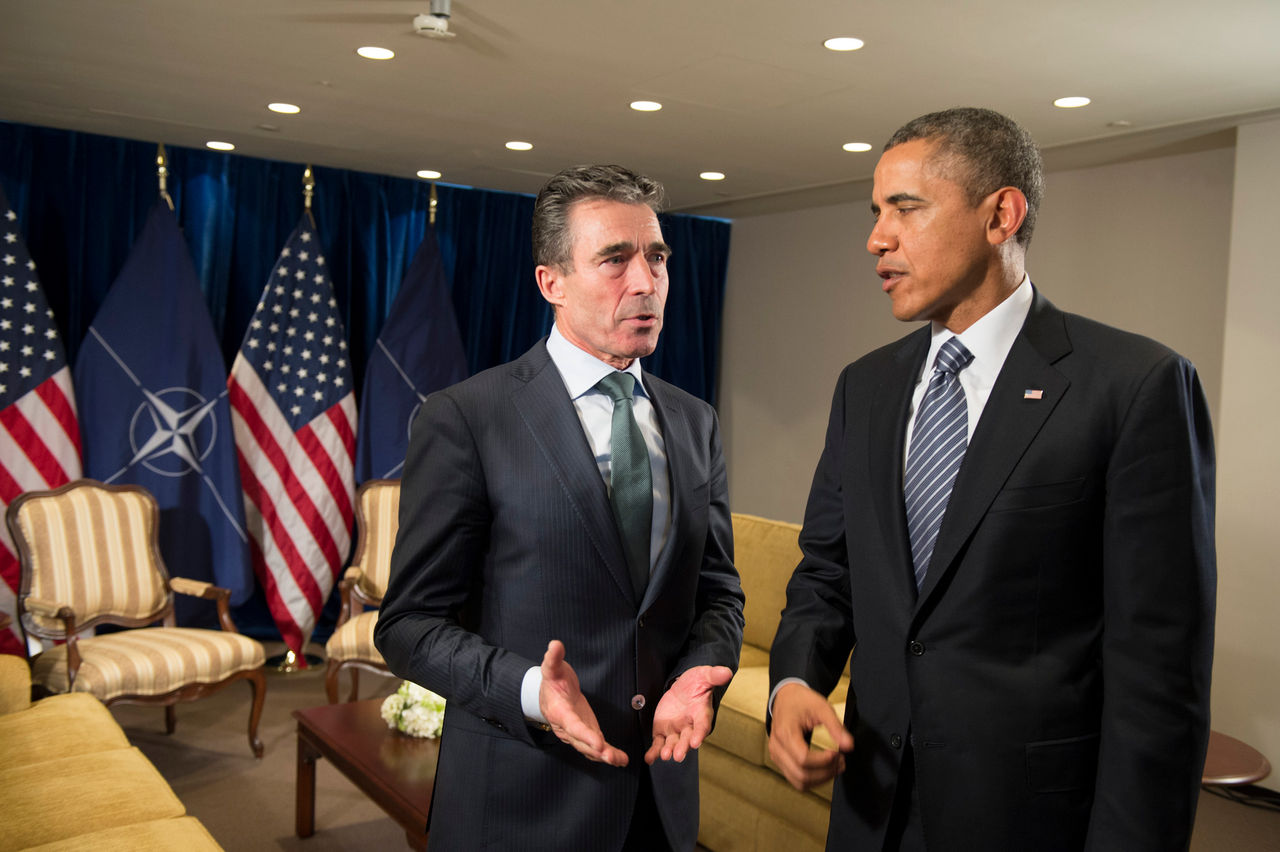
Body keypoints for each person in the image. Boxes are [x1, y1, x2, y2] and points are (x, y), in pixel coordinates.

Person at [767, 108, 1215, 851]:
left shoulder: (1135, 387)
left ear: (1001, 214)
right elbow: (828, 573)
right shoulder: (865, 388)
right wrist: (792, 683)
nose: (877, 238)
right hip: (870, 807)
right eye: (876, 213)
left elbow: (1158, 678)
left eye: (905, 208)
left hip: (1030, 823)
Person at [375, 164, 744, 851]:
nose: (646, 282)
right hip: (519, 802)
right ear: (552, 282)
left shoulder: (696, 423)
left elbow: (718, 593)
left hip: (660, 806)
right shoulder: (466, 418)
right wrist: (526, 689)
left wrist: (700, 671)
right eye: (614, 259)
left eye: (657, 257)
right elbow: (407, 626)